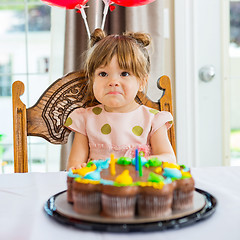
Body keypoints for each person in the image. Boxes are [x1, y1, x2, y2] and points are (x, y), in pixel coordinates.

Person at [64, 28, 176, 169]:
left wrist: (138, 162)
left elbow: (169, 159)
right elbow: (73, 166)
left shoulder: (153, 120)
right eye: (103, 74)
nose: (113, 81)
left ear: (142, 82)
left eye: (124, 73)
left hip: (138, 187)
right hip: (99, 188)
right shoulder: (86, 119)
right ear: (92, 80)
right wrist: (78, 168)